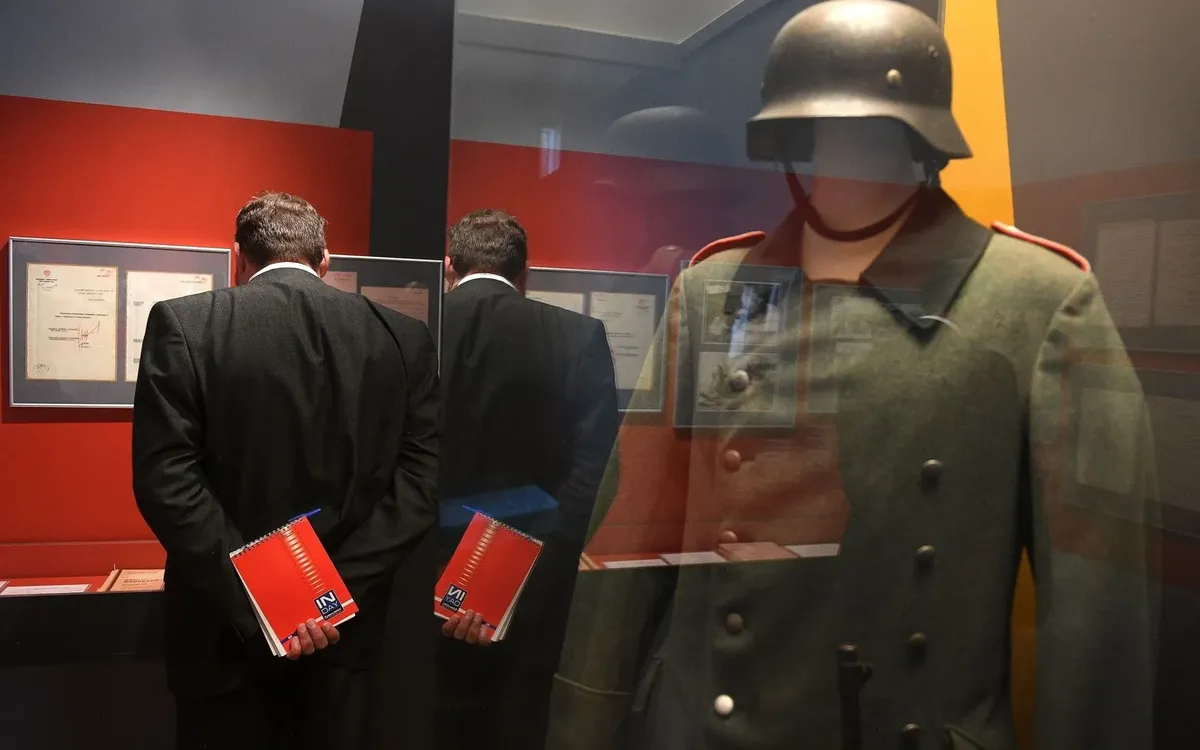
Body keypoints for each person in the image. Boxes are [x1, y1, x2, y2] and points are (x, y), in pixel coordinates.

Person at [548, 2, 1157, 750]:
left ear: (923, 139)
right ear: (789, 137)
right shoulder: (716, 289)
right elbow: (628, 540)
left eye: (875, 129)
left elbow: (1099, 612)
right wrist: (582, 723)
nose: (849, 149)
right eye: (824, 127)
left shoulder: (1038, 302)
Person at [132, 191, 440, 750]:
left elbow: (167, 480)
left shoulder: (186, 323)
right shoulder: (402, 336)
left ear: (238, 257)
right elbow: (419, 487)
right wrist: (329, 596)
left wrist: (266, 600)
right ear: (325, 260)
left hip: (223, 631)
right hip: (344, 633)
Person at [434, 209, 619, 750]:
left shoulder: (410, 329)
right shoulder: (578, 336)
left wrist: (438, 579)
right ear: (525, 274)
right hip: (531, 592)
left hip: (426, 586)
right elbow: (590, 478)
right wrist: (509, 585)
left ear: (449, 267)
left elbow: (391, 465)